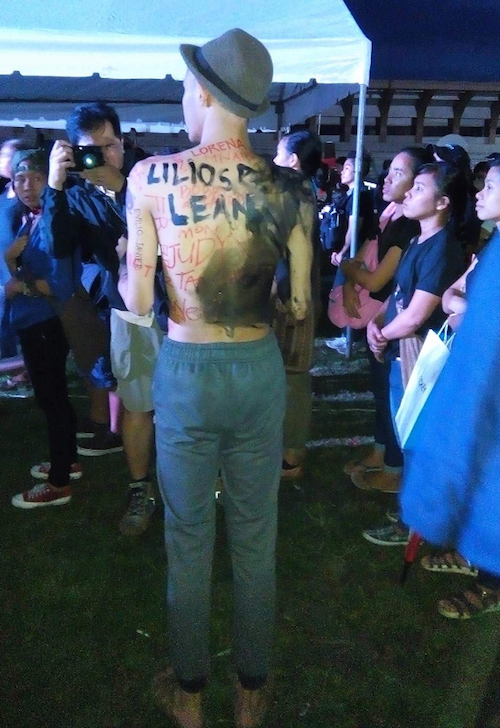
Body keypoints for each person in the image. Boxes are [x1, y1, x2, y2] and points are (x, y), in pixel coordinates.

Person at [118, 28, 314, 728]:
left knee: (190, 535)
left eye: (185, 86)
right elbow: (298, 306)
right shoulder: (291, 188)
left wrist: (133, 263)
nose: (181, 95)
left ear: (203, 93)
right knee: (258, 534)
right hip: (258, 366)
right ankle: (251, 695)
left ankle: (192, 694)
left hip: (188, 368)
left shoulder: (150, 178)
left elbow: (138, 303)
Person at [43, 102, 163, 536]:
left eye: (109, 146)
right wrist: (55, 188)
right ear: (73, 152)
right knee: (136, 405)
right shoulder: (74, 194)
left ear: (122, 140)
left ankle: (197, 482)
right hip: (128, 312)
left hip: (177, 308)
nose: (101, 157)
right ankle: (139, 488)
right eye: (89, 150)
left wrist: (121, 187)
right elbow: (55, 248)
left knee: (186, 403)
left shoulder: (149, 174)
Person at [400, 156, 500, 618]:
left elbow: (464, 305)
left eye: (492, 186)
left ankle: (490, 583)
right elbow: (456, 296)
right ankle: (475, 554)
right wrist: (467, 308)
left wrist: (468, 310)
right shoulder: (491, 245)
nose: (481, 193)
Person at [363, 161, 466, 546]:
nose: (408, 194)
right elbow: (399, 296)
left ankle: (418, 524)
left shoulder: (444, 249)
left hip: (417, 355)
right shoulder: (417, 240)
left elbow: (417, 315)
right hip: (400, 348)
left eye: (418, 188)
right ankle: (414, 514)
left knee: (418, 441)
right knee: (407, 435)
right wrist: (377, 322)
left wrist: (383, 334)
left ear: (441, 202)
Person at [341, 147, 431, 493]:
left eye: (398, 173)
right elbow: (362, 257)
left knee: (394, 397)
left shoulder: (412, 227)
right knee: (381, 393)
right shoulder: (392, 215)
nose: (387, 178)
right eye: (389, 171)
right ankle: (381, 453)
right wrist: (351, 276)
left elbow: (377, 279)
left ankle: (394, 467)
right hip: (380, 316)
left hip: (392, 322)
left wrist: (349, 270)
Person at [6, 149, 81, 508]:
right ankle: (67, 460)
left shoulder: (52, 221)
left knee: (51, 401)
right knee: (55, 399)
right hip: (36, 322)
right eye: (20, 179)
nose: (27, 186)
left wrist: (17, 285)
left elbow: (60, 284)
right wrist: (12, 261)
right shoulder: (31, 218)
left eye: (36, 178)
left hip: (45, 323)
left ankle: (59, 484)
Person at [273, 130, 322, 477]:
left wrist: (290, 294)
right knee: (287, 375)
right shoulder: (301, 189)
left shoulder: (298, 191)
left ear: (293, 160)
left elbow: (295, 251)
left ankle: (292, 457)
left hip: (295, 297)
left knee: (293, 376)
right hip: (292, 292)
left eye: (279, 154)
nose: (272, 162)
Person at [325, 150, 374, 353]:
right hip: (349, 251)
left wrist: (343, 251)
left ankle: (350, 338)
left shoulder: (359, 196)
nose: (342, 171)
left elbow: (354, 228)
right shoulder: (351, 194)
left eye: (347, 168)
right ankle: (347, 336)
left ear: (358, 171)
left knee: (347, 291)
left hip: (354, 252)